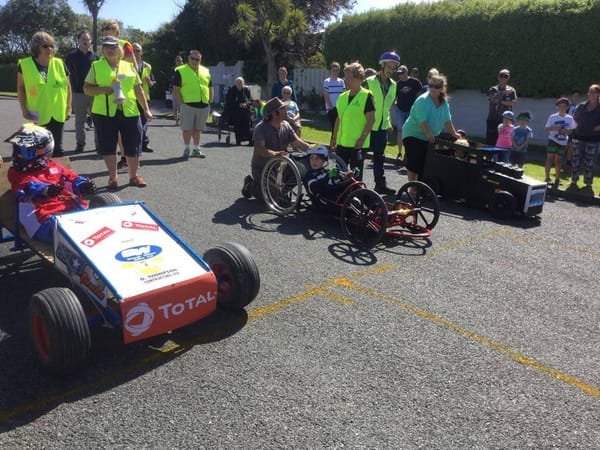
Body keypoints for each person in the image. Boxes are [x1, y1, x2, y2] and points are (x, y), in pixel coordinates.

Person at [83, 36, 152, 189]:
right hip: (104, 113)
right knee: (108, 146)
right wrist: (102, 90)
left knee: (133, 145)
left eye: (113, 47)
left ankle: (134, 176)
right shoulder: (96, 66)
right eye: (107, 47)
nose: (110, 49)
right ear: (103, 50)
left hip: (130, 111)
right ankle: (113, 177)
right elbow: (86, 88)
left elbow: (138, 89)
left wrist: (146, 109)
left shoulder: (129, 66)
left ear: (119, 49)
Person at [7, 124, 96, 243]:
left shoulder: (52, 166)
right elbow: (29, 186)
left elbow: (70, 179)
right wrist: (46, 190)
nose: (20, 155)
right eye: (19, 150)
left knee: (98, 223)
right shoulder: (15, 173)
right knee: (70, 234)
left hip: (68, 210)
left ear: (45, 150)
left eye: (27, 151)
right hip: (41, 217)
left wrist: (82, 185)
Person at [241, 97, 310, 200]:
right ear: (274, 113)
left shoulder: (286, 125)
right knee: (271, 196)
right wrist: (274, 154)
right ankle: (250, 185)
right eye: (283, 109)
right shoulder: (261, 128)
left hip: (280, 166)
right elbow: (261, 150)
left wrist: (316, 150)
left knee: (301, 170)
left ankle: (281, 193)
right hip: (262, 168)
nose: (286, 111)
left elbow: (299, 144)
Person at [17, 31, 71, 158]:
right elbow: (20, 89)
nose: (50, 49)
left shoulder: (59, 63)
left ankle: (55, 176)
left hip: (57, 112)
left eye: (51, 46)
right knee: (37, 150)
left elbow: (68, 88)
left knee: (57, 149)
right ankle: (39, 176)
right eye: (45, 46)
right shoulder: (24, 64)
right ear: (37, 47)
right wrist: (24, 109)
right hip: (35, 113)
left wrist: (69, 108)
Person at [402, 74, 461, 183]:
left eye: (436, 86)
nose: (433, 88)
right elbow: (422, 121)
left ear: (442, 88)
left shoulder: (444, 102)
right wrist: (429, 134)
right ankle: (413, 188)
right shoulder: (423, 100)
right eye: (431, 85)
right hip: (413, 134)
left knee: (426, 164)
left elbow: (447, 120)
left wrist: (455, 135)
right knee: (414, 163)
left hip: (428, 137)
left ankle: (422, 188)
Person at [331, 61, 375, 182]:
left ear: (358, 77)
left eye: (348, 77)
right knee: (339, 174)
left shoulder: (366, 96)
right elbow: (338, 118)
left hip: (358, 144)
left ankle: (357, 198)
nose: (345, 79)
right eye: (345, 76)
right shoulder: (342, 96)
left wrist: (362, 138)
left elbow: (371, 119)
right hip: (342, 144)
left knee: (355, 176)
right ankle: (341, 199)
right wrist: (334, 138)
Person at [364, 51, 399, 194]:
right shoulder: (369, 82)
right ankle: (355, 186)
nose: (391, 70)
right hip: (367, 126)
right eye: (389, 66)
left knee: (379, 157)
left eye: (394, 67)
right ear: (382, 65)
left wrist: (388, 122)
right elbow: (363, 105)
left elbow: (387, 107)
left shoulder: (394, 85)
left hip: (382, 127)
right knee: (359, 156)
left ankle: (380, 184)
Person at [172, 50, 213, 159]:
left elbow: (210, 86)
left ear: (200, 60)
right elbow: (176, 89)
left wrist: (210, 100)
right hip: (187, 105)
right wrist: (181, 103)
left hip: (203, 105)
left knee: (198, 129)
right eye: (193, 59)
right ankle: (186, 148)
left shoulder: (206, 71)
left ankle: (196, 149)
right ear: (188, 59)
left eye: (197, 59)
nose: (195, 61)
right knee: (187, 129)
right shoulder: (180, 70)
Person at [65, 30, 99, 153]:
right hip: (78, 93)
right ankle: (80, 144)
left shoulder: (96, 57)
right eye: (83, 39)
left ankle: (99, 146)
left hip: (94, 93)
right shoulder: (71, 57)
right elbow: (65, 75)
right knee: (80, 120)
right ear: (78, 40)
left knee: (97, 120)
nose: (86, 41)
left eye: (88, 39)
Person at [566, 84, 600, 196]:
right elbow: (574, 120)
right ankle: (573, 182)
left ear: (598, 94)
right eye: (590, 92)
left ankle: (588, 184)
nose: (592, 94)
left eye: (594, 92)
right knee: (576, 160)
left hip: (593, 139)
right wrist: (576, 126)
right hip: (578, 137)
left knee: (589, 162)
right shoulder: (581, 106)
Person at [303, 145, 359, 213]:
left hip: (337, 195)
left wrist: (348, 177)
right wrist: (328, 177)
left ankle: (372, 203)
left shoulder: (326, 171)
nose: (314, 161)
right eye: (311, 158)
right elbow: (314, 189)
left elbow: (336, 182)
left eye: (317, 158)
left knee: (352, 183)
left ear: (323, 160)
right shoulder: (309, 175)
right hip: (327, 201)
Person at [391, 64, 423, 166]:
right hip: (401, 111)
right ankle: (399, 153)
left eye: (402, 73)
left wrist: (416, 109)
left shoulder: (415, 82)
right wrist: (396, 107)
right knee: (400, 131)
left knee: (411, 132)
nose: (400, 75)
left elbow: (419, 97)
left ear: (407, 72)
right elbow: (392, 99)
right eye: (399, 73)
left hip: (412, 112)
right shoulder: (397, 84)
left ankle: (408, 154)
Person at [544, 98, 575, 187]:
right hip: (553, 140)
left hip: (563, 142)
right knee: (550, 158)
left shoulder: (569, 118)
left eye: (564, 106)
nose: (562, 108)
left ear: (567, 107)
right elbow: (546, 128)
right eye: (560, 106)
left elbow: (571, 131)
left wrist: (565, 131)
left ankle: (557, 178)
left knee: (559, 160)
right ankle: (547, 177)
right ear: (557, 107)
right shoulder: (553, 116)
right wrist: (555, 128)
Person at [132, 43, 155, 153]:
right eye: (133, 50)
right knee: (133, 123)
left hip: (144, 97)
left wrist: (148, 81)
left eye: (137, 50)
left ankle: (143, 143)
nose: (135, 53)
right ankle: (136, 143)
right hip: (131, 98)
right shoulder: (126, 65)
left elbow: (152, 84)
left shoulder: (147, 66)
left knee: (144, 122)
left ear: (141, 52)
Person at [486, 69, 518, 145]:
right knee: (491, 141)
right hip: (493, 118)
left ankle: (503, 156)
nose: (503, 78)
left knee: (506, 141)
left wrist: (501, 101)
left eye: (505, 76)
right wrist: (504, 93)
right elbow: (493, 100)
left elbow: (514, 103)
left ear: (508, 78)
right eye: (501, 76)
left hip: (507, 121)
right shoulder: (493, 89)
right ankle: (490, 156)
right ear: (498, 77)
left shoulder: (511, 90)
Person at [224, 77, 253, 145]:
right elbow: (229, 102)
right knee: (237, 120)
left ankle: (250, 140)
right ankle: (238, 140)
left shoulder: (246, 90)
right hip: (235, 110)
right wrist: (239, 105)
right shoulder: (231, 90)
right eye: (238, 83)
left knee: (247, 120)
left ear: (243, 83)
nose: (239, 84)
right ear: (235, 84)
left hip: (245, 110)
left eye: (241, 83)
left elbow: (250, 100)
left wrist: (246, 104)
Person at [322, 62, 346, 129]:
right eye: (333, 70)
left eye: (337, 70)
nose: (335, 72)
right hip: (331, 109)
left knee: (340, 129)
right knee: (334, 129)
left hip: (340, 109)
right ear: (330, 71)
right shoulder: (327, 81)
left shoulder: (341, 81)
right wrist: (331, 108)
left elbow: (344, 94)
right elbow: (326, 95)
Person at [565, 89, 581, 173]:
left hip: (575, 130)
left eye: (577, 96)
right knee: (565, 146)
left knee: (571, 146)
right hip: (566, 129)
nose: (576, 98)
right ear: (571, 97)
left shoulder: (580, 107)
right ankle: (556, 159)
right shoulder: (568, 107)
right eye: (575, 96)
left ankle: (568, 163)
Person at [170, 55, 184, 125]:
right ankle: (176, 121)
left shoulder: (185, 69)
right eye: (178, 61)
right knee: (175, 106)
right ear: (175, 62)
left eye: (181, 61)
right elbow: (172, 79)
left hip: (183, 90)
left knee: (182, 106)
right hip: (175, 90)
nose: (180, 62)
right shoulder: (173, 69)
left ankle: (182, 120)